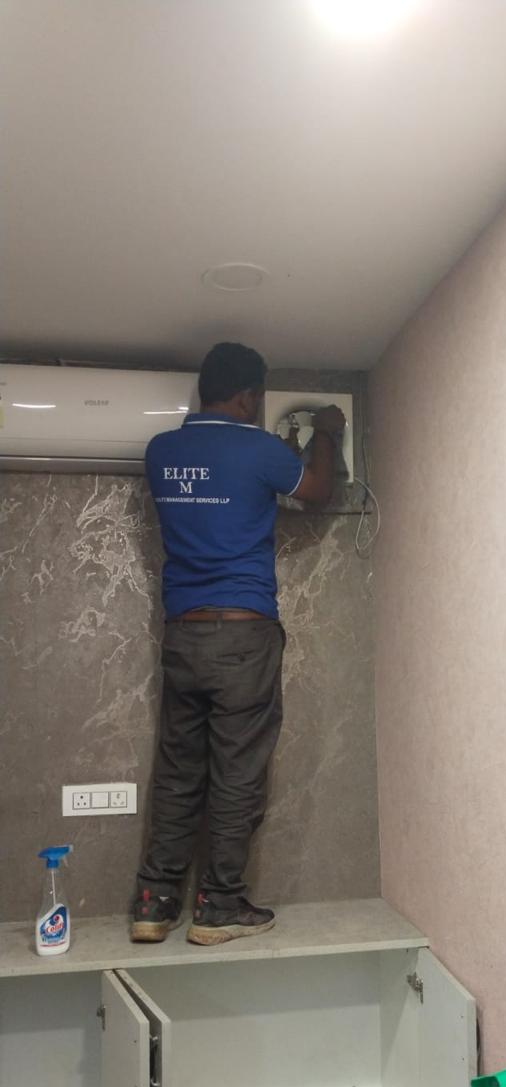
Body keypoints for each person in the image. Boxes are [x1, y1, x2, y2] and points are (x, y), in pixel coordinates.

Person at [132, 342, 344, 947]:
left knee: (178, 770)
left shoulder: (161, 451)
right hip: (244, 634)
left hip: (183, 634)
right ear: (249, 397)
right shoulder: (258, 449)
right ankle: (218, 907)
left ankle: (153, 903)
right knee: (236, 774)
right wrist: (326, 432)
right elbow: (318, 490)